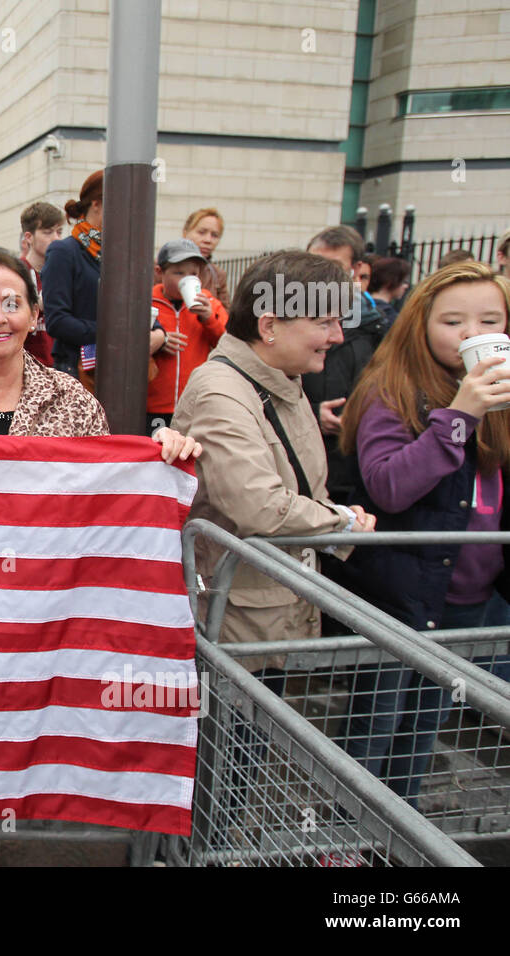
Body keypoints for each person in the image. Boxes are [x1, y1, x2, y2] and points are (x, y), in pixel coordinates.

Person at [0, 247, 198, 865]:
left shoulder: (74, 403)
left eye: (12, 303)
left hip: (32, 620)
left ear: (34, 314)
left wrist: (161, 451)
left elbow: (104, 496)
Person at [335, 261, 510, 805]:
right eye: (453, 322)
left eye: (491, 320)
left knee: (420, 733)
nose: (473, 335)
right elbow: (389, 488)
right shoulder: (392, 392)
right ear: (420, 324)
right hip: (401, 594)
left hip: (472, 596)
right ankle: (342, 839)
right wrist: (461, 414)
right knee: (374, 729)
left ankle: (397, 843)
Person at [171, 251, 376, 678]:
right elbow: (259, 507)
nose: (337, 336)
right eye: (324, 323)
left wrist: (331, 520)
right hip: (240, 618)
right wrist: (338, 521)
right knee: (237, 737)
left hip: (271, 602)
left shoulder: (282, 377)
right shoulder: (222, 393)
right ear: (269, 327)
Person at [302, 225, 388, 502]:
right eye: (314, 265)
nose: (321, 276)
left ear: (356, 268)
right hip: (303, 464)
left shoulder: (379, 328)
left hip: (357, 463)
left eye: (333, 267)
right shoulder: (286, 320)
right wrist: (313, 413)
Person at [147, 238, 229, 436]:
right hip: (153, 403)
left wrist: (209, 318)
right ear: (159, 273)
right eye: (178, 273)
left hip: (194, 404)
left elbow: (227, 344)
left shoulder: (210, 303)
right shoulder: (148, 300)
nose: (187, 278)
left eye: (193, 274)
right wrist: (161, 341)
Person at [42, 170, 103, 382]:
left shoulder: (120, 254)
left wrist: (159, 333)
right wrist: (111, 332)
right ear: (96, 204)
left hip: (116, 368)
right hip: (75, 369)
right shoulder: (64, 252)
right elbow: (57, 321)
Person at [18, 200, 66, 367]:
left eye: (59, 232)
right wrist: (36, 306)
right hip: (27, 369)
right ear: (29, 237)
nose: (56, 239)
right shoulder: (15, 273)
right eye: (47, 232)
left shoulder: (64, 273)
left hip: (61, 370)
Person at [183, 207, 229, 310]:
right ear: (185, 233)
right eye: (202, 232)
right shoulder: (163, 267)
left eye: (214, 235)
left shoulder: (218, 275)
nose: (208, 240)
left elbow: (225, 316)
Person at [366, 255, 410, 327]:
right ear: (390, 281)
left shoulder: (363, 306)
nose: (406, 286)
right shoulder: (389, 315)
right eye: (403, 281)